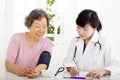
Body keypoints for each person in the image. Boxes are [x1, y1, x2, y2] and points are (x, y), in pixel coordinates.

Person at [63, 9, 120, 79]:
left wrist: (103, 71)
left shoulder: (105, 42)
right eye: (78, 27)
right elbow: (68, 60)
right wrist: (71, 68)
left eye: (85, 29)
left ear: (95, 28)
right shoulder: (75, 41)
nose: (80, 32)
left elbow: (117, 65)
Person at [5, 9, 53, 78]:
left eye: (44, 27)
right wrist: (18, 70)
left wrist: (37, 71)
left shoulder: (48, 43)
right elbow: (8, 64)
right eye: (37, 26)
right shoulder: (16, 38)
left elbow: (44, 62)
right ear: (29, 25)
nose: (41, 30)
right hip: (13, 76)